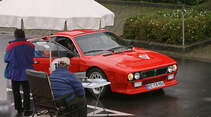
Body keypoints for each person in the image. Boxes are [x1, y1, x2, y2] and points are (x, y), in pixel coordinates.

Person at [4, 29, 34, 116]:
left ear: (15, 35)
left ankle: (19, 108)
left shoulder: (11, 46)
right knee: (26, 91)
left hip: (15, 72)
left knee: (16, 91)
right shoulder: (31, 45)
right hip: (27, 72)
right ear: (24, 35)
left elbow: (6, 59)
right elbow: (32, 57)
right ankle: (27, 109)